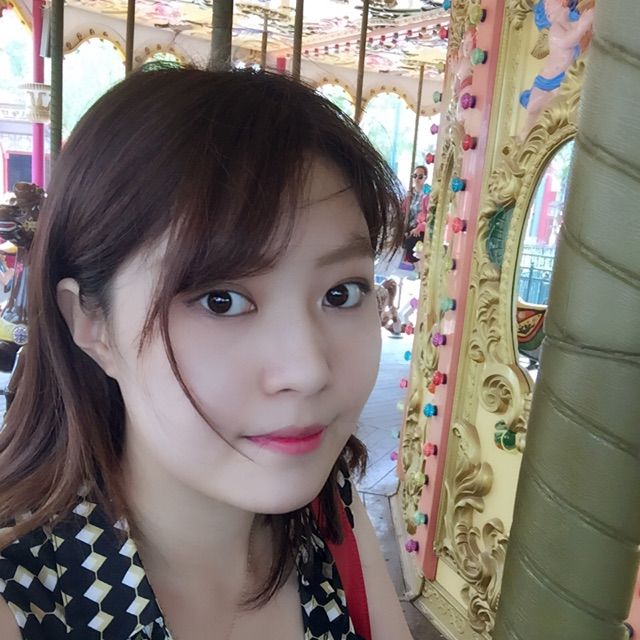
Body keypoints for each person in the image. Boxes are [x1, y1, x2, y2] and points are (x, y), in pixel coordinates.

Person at [0, 67, 413, 640]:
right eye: (222, 301)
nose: (307, 371)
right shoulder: (25, 603)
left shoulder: (326, 510)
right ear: (92, 325)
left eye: (341, 293)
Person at [401, 165, 430, 265]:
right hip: (408, 227)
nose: (417, 179)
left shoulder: (427, 196)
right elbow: (403, 211)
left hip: (418, 229)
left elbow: (430, 217)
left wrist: (419, 228)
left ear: (425, 178)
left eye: (420, 177)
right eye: (415, 176)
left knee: (410, 248)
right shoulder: (409, 194)